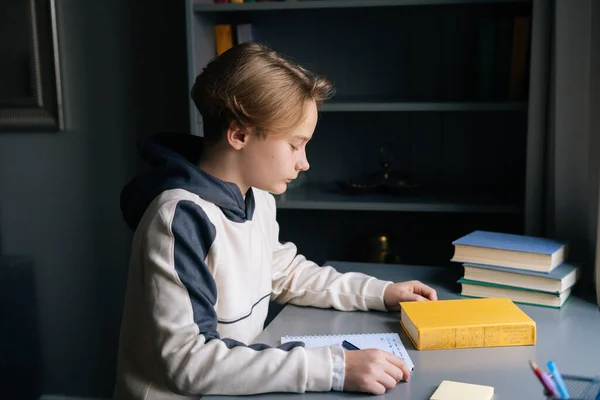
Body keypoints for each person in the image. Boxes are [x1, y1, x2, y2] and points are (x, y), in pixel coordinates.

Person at [114, 42, 437, 400]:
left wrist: (381, 293)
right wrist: (335, 367)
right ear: (239, 134)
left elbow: (284, 273)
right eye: (295, 145)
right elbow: (190, 363)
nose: (305, 163)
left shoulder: (258, 198)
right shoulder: (180, 219)